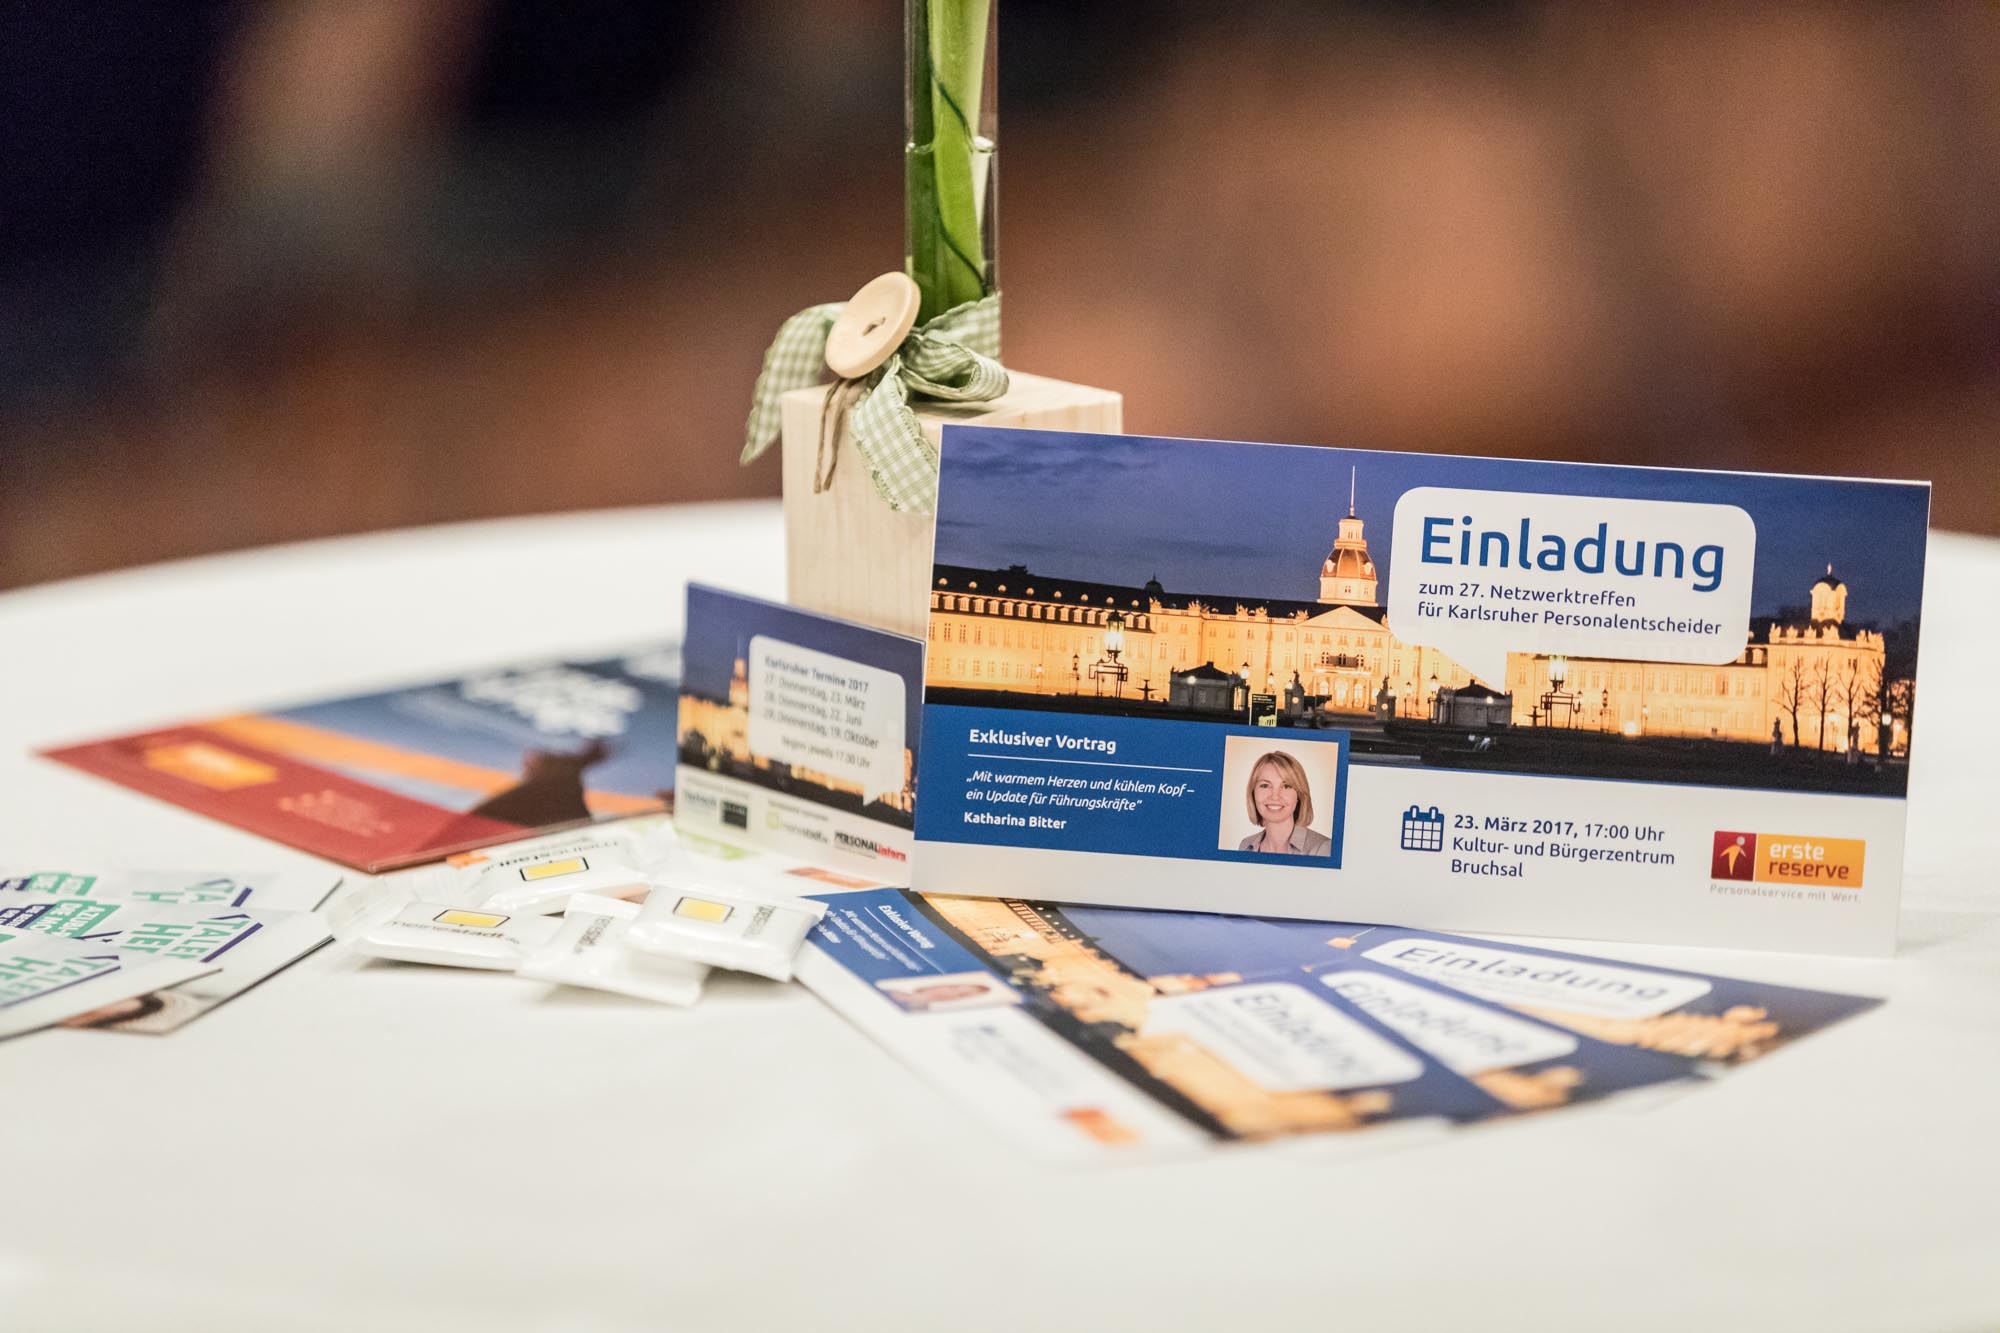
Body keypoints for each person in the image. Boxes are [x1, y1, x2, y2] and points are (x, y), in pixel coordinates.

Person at [1235, 751, 1332, 856]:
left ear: (1299, 795)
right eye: (1265, 785)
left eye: (1286, 786)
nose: (1275, 796)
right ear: (1253, 793)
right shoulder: (1245, 846)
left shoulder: (1322, 849)